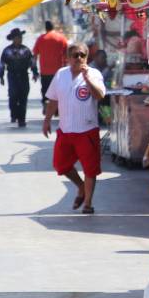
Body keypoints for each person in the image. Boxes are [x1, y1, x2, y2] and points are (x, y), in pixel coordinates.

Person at [43, 42, 106, 213]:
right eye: (75, 55)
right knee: (60, 164)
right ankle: (80, 186)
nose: (78, 58)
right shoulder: (61, 74)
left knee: (90, 168)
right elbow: (53, 99)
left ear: (87, 57)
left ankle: (88, 203)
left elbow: (100, 95)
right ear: (68, 58)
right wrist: (47, 119)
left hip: (87, 129)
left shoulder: (94, 74)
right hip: (66, 129)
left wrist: (88, 79)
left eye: (82, 55)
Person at [0, 28, 34, 127]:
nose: (20, 39)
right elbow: (2, 64)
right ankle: (14, 114)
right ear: (13, 39)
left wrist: (35, 72)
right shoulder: (7, 51)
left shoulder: (26, 50)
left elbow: (32, 62)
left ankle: (22, 119)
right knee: (13, 97)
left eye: (21, 37)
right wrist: (1, 76)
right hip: (12, 77)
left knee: (23, 97)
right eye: (18, 37)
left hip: (23, 76)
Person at [33, 20, 70, 102]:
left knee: (46, 92)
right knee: (58, 93)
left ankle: (46, 105)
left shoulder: (41, 39)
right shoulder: (61, 38)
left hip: (45, 73)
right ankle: (57, 109)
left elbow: (35, 56)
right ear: (54, 27)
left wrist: (34, 70)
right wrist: (67, 69)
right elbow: (67, 55)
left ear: (45, 28)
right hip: (58, 72)